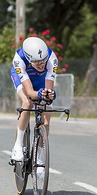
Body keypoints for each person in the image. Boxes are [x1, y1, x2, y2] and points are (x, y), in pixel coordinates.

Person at [10, 37, 58, 177]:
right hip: (24, 79)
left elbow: (47, 91)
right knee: (28, 103)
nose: (41, 64)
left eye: (43, 60)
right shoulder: (19, 59)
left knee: (46, 122)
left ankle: (39, 158)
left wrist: (47, 95)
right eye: (37, 61)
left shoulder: (52, 58)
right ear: (29, 58)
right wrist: (37, 94)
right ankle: (17, 146)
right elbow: (30, 92)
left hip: (42, 80)